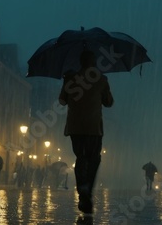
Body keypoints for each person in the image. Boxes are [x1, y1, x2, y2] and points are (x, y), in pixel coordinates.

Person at [59, 50, 114, 214]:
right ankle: (87, 190)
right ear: (94, 62)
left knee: (80, 158)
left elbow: (62, 101)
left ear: (80, 62)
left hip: (75, 127)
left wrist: (67, 81)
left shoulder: (71, 78)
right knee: (94, 159)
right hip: (93, 128)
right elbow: (109, 102)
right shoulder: (101, 79)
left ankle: (82, 189)